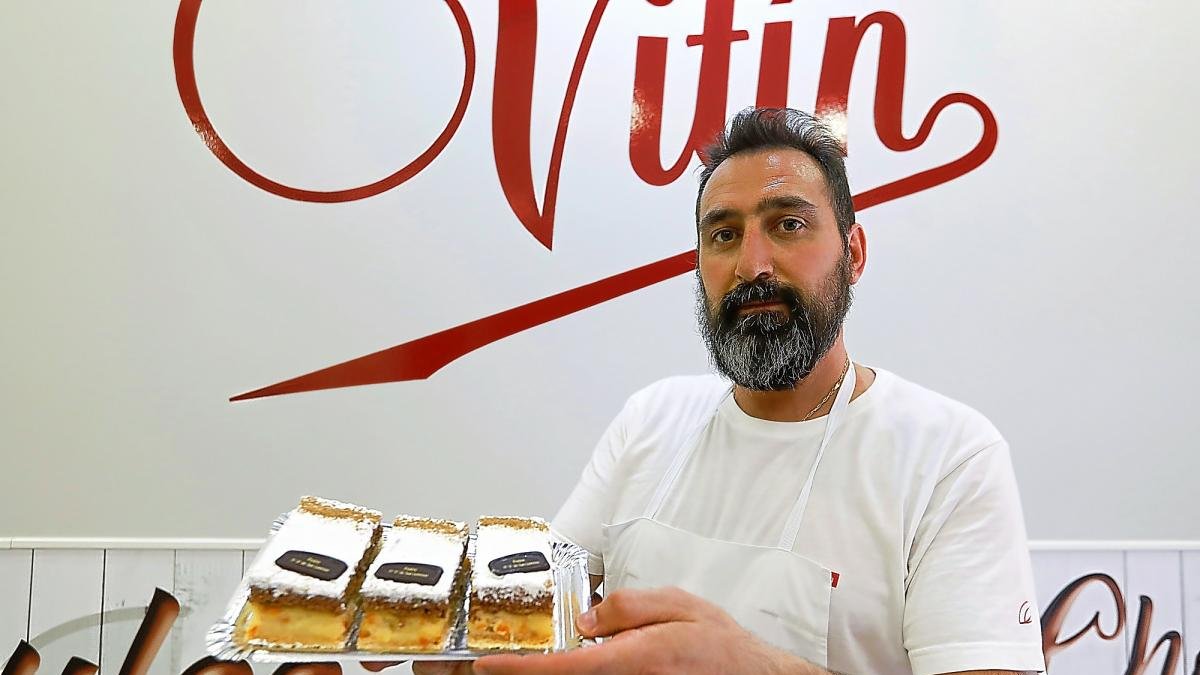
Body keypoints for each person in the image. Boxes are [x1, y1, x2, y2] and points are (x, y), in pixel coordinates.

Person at [417, 108, 1046, 675]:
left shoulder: (947, 454)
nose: (752, 265)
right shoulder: (652, 419)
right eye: (723, 234)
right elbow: (547, 622)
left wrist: (750, 664)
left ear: (852, 253)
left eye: (789, 224)